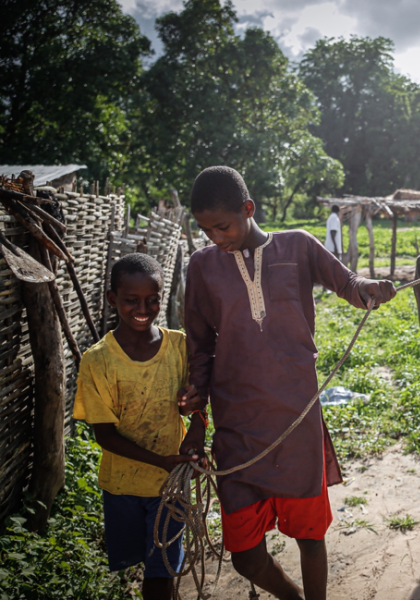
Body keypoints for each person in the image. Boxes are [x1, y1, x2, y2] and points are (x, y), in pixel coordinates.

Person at [181, 166, 396, 600]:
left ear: (248, 209)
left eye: (222, 226)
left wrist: (368, 288)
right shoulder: (202, 267)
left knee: (310, 537)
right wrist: (198, 424)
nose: (215, 238)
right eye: (206, 230)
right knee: (244, 554)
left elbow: (348, 282)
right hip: (237, 429)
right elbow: (200, 349)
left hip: (296, 422)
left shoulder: (296, 245)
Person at [73, 253, 206, 600]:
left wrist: (196, 422)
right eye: (131, 300)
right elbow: (104, 435)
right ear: (112, 299)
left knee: (160, 574)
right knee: (146, 566)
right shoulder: (98, 360)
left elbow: (201, 398)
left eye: (152, 300)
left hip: (171, 487)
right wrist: (161, 461)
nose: (142, 308)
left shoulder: (179, 345)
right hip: (122, 486)